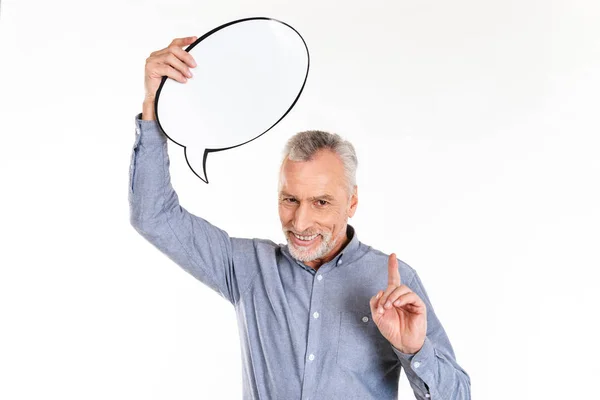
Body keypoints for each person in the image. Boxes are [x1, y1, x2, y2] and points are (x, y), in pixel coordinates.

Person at [129, 36, 471, 400]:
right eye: (290, 199)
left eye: (321, 202)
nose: (301, 221)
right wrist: (155, 105)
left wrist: (415, 351)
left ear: (352, 201)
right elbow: (153, 216)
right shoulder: (247, 268)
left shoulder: (394, 284)